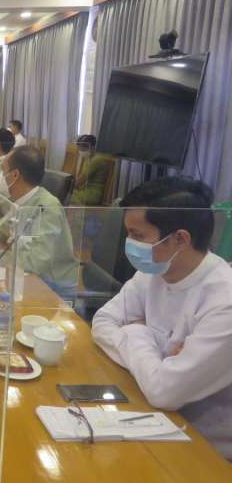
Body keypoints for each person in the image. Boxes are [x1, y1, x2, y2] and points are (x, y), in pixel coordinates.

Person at [92, 178, 232, 460]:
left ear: (180, 239)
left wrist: (137, 333)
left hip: (203, 447)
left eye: (138, 235)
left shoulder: (224, 302)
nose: (130, 245)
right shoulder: (155, 270)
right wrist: (161, 360)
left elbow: (163, 392)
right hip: (147, 411)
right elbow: (102, 322)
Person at [0, 146, 79, 300]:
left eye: (3, 170)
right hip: (26, 278)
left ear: (15, 175)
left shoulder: (47, 207)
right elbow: (4, 229)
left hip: (52, 289)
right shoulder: (20, 200)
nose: (0, 176)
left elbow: (36, 263)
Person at [71, 134, 112, 206]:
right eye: (80, 149)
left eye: (83, 150)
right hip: (85, 190)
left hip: (93, 194)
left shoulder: (97, 159)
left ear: (92, 147)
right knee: (65, 194)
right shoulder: (90, 158)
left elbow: (81, 180)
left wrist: (67, 187)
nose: (80, 152)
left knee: (66, 195)